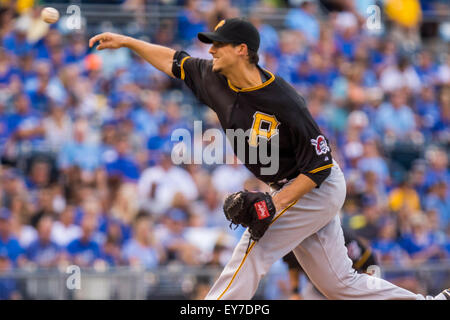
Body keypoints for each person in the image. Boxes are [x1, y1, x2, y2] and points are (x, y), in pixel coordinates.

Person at [89, 17, 449, 300]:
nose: (210, 51)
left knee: (253, 248)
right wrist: (129, 42)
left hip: (314, 186)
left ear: (242, 50)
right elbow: (174, 61)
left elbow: (319, 167)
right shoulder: (213, 78)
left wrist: (273, 205)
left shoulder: (285, 101)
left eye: (218, 45)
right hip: (292, 187)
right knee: (339, 284)